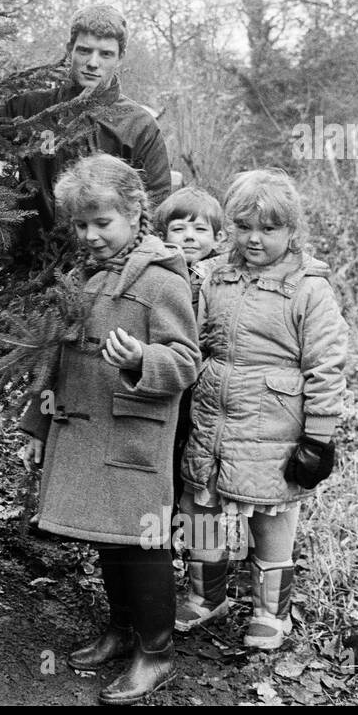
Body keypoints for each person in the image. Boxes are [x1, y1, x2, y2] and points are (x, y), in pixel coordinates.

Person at [17, 153, 199, 704]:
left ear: (136, 214)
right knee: (107, 535)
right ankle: (121, 631)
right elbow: (56, 356)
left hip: (133, 433)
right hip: (84, 430)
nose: (91, 235)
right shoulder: (85, 277)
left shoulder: (160, 279)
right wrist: (36, 422)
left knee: (142, 543)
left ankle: (157, 652)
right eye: (80, 224)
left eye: (103, 223)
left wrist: (143, 357)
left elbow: (186, 361)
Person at [175, 169, 348, 650]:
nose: (254, 238)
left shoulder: (309, 290)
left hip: (273, 427)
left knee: (269, 518)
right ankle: (205, 596)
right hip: (211, 420)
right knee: (199, 506)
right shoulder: (216, 277)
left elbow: (327, 366)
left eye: (269, 229)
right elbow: (194, 340)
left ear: (292, 231)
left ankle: (273, 612)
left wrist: (318, 438)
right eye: (244, 225)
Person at [0, 3, 173, 239]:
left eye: (105, 54)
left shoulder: (138, 125)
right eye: (84, 50)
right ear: (69, 50)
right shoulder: (31, 109)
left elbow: (156, 202)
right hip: (36, 264)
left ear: (120, 58)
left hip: (107, 266)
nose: (93, 63)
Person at [152, 186, 226, 506]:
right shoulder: (160, 269)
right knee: (166, 448)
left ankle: (194, 541)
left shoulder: (221, 275)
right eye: (179, 228)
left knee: (195, 455)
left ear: (218, 238)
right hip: (169, 374)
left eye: (200, 229)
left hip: (203, 382)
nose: (189, 237)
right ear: (164, 234)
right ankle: (163, 532)